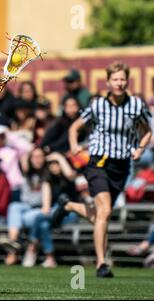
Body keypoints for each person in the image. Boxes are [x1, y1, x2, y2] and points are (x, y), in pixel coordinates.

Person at [52, 62, 152, 278]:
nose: (119, 83)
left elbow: (146, 131)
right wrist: (74, 145)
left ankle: (68, 205)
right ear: (108, 82)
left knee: (101, 215)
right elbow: (75, 127)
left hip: (122, 166)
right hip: (98, 162)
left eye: (123, 79)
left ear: (127, 80)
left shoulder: (135, 105)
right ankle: (101, 264)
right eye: (115, 79)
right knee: (105, 212)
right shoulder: (98, 105)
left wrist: (140, 149)